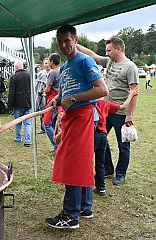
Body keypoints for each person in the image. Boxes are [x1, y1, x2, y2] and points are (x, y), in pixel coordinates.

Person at [45, 24, 108, 229]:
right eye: (60, 42)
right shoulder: (64, 68)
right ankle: (84, 207)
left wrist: (73, 98)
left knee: (74, 162)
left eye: (68, 41)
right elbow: (64, 93)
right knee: (80, 161)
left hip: (83, 116)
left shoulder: (84, 60)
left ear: (76, 40)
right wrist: (58, 99)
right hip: (71, 116)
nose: (64, 45)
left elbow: (102, 90)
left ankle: (70, 215)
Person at [77, 37, 139, 185]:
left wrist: (129, 114)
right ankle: (108, 169)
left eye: (109, 50)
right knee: (100, 139)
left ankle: (121, 173)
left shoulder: (130, 67)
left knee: (123, 145)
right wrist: (75, 44)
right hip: (106, 110)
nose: (107, 53)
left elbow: (134, 92)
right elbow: (92, 55)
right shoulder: (110, 61)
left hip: (121, 113)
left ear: (119, 49)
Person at [94, 87, 139, 196]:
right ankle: (101, 189)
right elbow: (123, 106)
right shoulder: (106, 104)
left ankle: (85, 186)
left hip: (93, 135)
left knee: (89, 161)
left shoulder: (90, 104)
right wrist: (131, 94)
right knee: (100, 163)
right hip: (103, 136)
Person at [7, 60, 32, 147]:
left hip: (18, 103)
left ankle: (18, 138)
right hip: (28, 102)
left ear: (16, 67)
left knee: (18, 122)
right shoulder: (29, 75)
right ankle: (27, 140)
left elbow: (11, 92)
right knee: (27, 123)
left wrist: (9, 105)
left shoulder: (14, 77)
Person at [42, 53, 61, 152]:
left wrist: (44, 92)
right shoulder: (63, 70)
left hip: (53, 101)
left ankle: (57, 146)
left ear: (52, 62)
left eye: (49, 61)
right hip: (61, 102)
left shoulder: (53, 73)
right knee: (56, 125)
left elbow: (47, 89)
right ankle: (58, 146)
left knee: (46, 124)